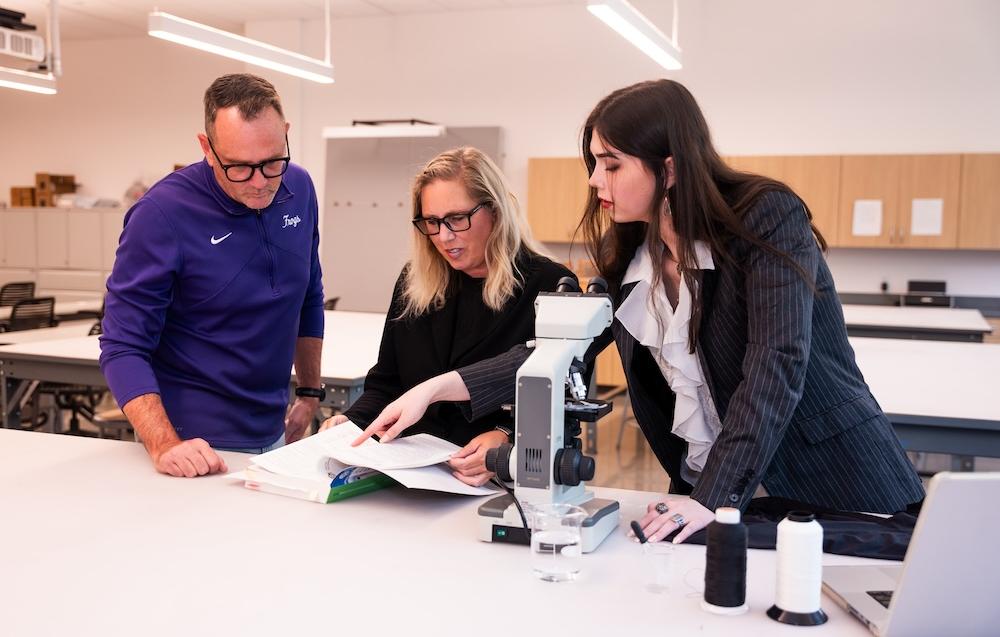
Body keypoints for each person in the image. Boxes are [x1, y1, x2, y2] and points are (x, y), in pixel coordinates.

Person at [355, 80, 924, 537]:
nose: (594, 179)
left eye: (611, 163)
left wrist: (711, 498)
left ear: (670, 167)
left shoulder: (765, 215)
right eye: (593, 162)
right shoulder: (633, 252)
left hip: (834, 489)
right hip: (711, 498)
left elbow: (775, 369)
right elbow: (559, 352)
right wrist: (436, 387)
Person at [99, 74, 325, 478]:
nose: (260, 183)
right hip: (192, 446)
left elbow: (308, 293)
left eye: (273, 162)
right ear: (206, 148)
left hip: (273, 434)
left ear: (286, 135)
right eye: (239, 167)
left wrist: (309, 391)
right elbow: (122, 345)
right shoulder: (161, 214)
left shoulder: (300, 188)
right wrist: (165, 445)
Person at [321, 147, 573, 487]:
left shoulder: (549, 285)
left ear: (495, 212)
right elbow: (387, 384)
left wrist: (506, 435)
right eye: (432, 222)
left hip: (495, 481)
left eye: (457, 219)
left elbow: (563, 397)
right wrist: (350, 423)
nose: (443, 236)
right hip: (412, 476)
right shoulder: (416, 282)